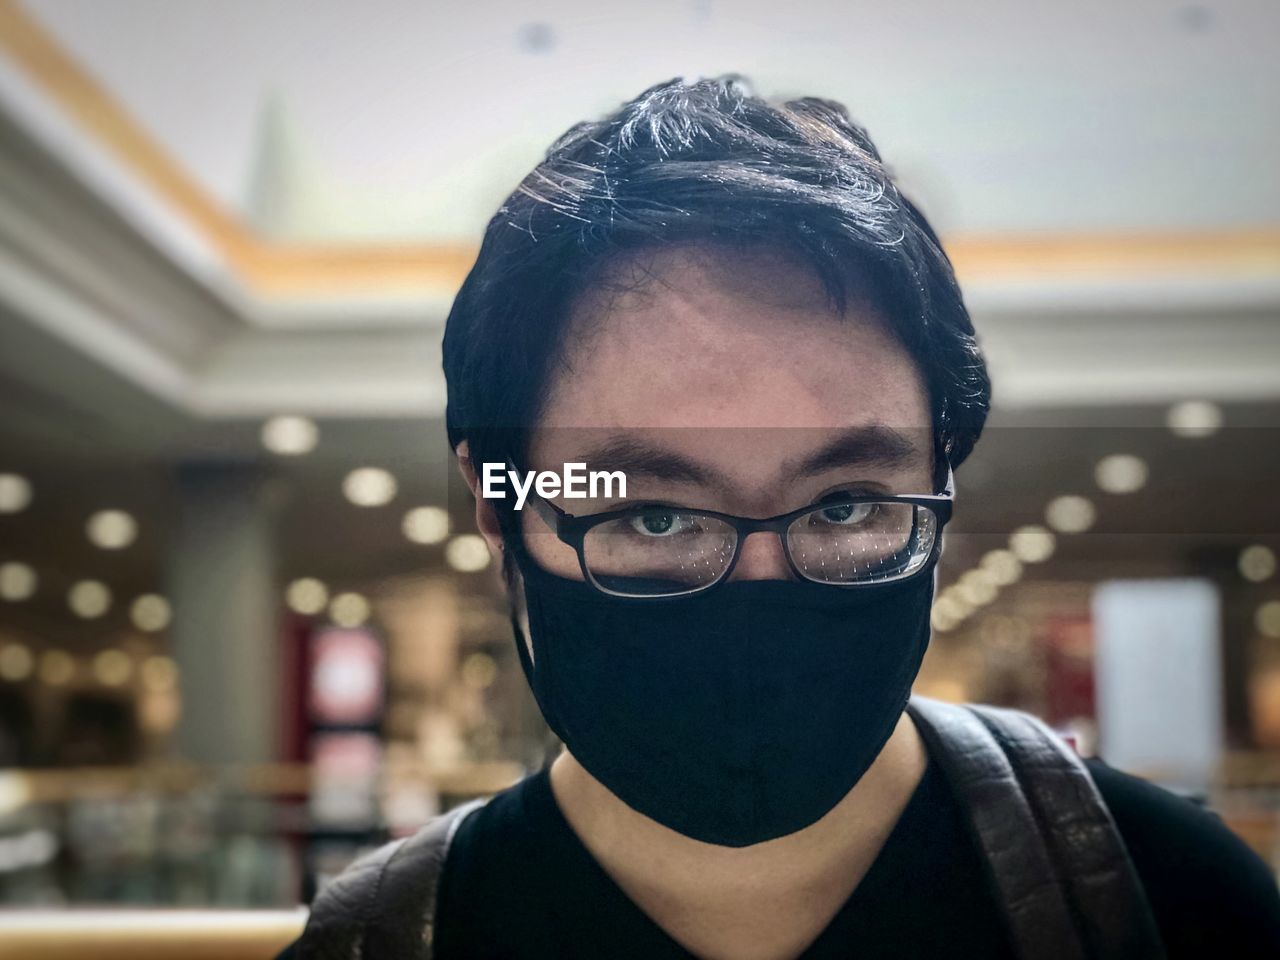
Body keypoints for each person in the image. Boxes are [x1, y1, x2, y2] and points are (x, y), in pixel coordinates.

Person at [281, 76, 1280, 959]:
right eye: (657, 516)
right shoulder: (381, 944)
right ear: (496, 510)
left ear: (940, 484)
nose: (758, 592)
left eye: (843, 504)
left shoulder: (1168, 902)